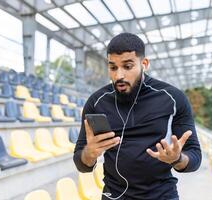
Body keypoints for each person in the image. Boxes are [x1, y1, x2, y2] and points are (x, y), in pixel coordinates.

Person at [74, 33, 202, 200]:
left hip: (161, 195)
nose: (119, 75)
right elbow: (81, 163)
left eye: (127, 66)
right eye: (113, 67)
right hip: (115, 195)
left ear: (144, 64)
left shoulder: (173, 98)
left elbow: (195, 157)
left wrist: (177, 159)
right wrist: (89, 154)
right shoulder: (96, 102)